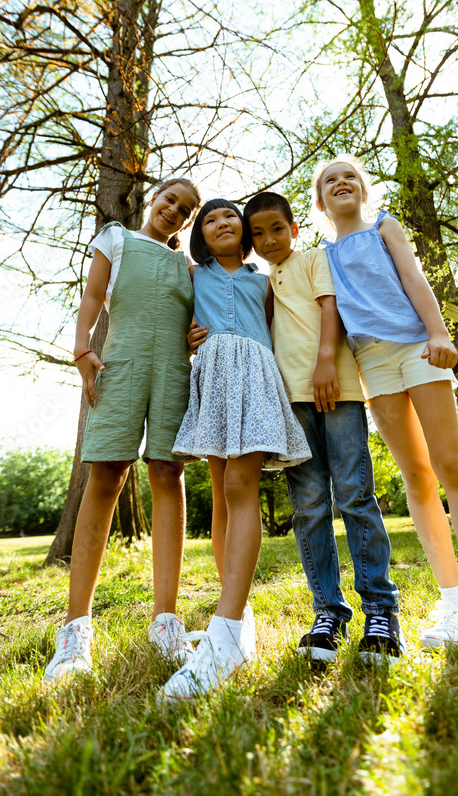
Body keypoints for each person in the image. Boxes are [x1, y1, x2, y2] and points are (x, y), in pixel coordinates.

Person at [313, 154, 458, 668]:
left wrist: (439, 332)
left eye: (350, 176)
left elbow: (416, 281)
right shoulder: (321, 255)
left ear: (363, 190)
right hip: (372, 364)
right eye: (330, 180)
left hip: (418, 349)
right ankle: (454, 604)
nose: (342, 182)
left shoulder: (384, 227)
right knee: (416, 478)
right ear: (321, 201)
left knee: (452, 465)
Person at [44, 177, 202, 683]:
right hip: (121, 366)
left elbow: (194, 319)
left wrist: (195, 334)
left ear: (188, 221)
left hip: (174, 372)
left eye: (185, 210)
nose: (173, 211)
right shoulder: (116, 239)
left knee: (167, 474)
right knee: (106, 474)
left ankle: (166, 620)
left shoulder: (188, 266)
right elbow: (92, 298)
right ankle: (75, 630)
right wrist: (82, 352)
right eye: (169, 200)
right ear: (154, 198)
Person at [239, 191, 403, 665]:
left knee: (354, 493)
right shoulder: (264, 283)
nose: (269, 239)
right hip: (291, 401)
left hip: (337, 389)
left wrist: (326, 362)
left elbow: (331, 310)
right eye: (258, 234)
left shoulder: (315, 258)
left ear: (294, 227)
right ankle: (327, 612)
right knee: (309, 506)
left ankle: (380, 609)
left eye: (277, 228)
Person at [159, 198, 311, 701]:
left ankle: (227, 631)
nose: (221, 223)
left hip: (252, 373)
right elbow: (175, 323)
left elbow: (275, 325)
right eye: (210, 219)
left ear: (243, 231)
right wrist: (186, 338)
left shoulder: (261, 278)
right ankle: (237, 613)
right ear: (200, 233)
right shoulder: (192, 273)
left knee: (240, 485)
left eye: (230, 217)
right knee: (222, 493)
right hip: (211, 375)